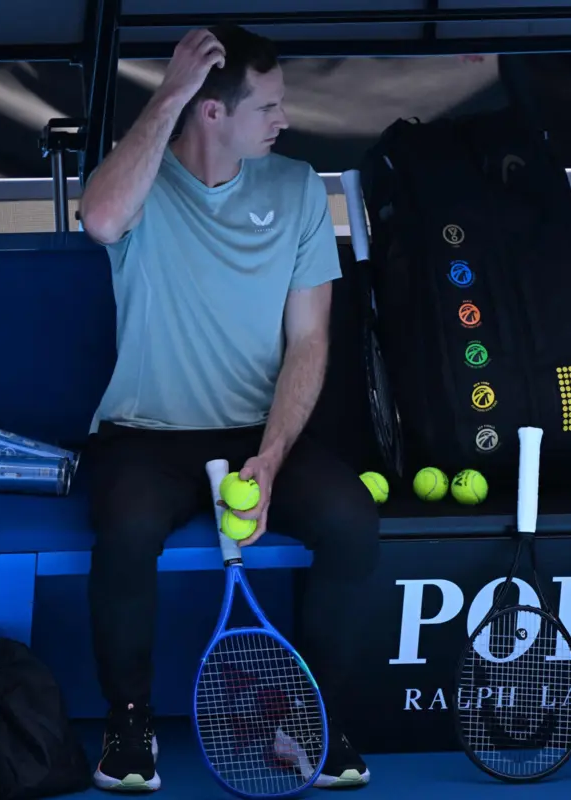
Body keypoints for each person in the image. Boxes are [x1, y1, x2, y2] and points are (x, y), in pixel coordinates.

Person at [78, 25, 378, 792]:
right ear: (213, 113)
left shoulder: (297, 186)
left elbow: (309, 340)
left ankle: (309, 720)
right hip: (145, 434)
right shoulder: (142, 180)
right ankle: (130, 722)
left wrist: (273, 459)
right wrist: (172, 90)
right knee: (129, 526)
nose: (284, 118)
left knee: (350, 519)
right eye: (268, 105)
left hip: (257, 435)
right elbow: (102, 220)